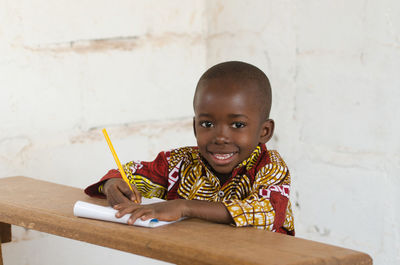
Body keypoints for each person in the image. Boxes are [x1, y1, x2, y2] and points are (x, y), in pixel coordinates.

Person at [85, 61, 295, 235]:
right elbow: (130, 173)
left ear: (264, 132)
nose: (220, 137)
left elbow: (267, 213)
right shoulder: (180, 163)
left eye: (237, 125)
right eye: (207, 124)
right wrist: (113, 184)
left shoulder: (271, 168)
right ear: (195, 127)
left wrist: (184, 206)